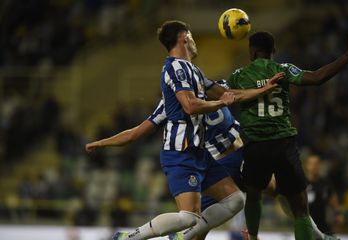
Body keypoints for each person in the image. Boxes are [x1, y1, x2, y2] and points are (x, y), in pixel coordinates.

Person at [101, 21, 280, 240]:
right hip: (181, 153)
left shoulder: (195, 73)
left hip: (200, 155)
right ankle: (130, 237)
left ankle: (183, 236)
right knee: (188, 218)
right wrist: (222, 103)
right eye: (192, 36)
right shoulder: (174, 69)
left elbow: (228, 93)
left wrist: (262, 90)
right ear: (184, 37)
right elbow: (190, 106)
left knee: (235, 200)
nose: (195, 41)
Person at [228, 31, 348, 240]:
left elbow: (217, 93)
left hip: (256, 146)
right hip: (283, 145)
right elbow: (318, 78)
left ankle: (252, 237)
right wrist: (347, 55)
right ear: (274, 51)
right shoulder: (284, 69)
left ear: (251, 51)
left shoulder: (239, 76)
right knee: (300, 210)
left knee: (253, 196)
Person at [304, 154, 344, 236]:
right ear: (306, 165)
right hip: (306, 225)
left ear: (319, 165)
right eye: (311, 164)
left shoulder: (325, 182)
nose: (314, 166)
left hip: (322, 225)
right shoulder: (302, 183)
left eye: (316, 164)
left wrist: (338, 213)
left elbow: (333, 199)